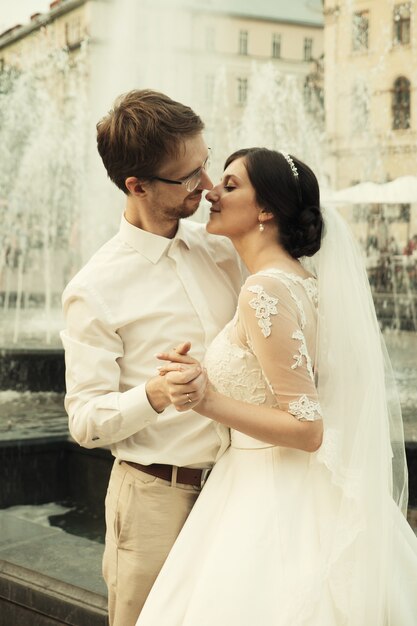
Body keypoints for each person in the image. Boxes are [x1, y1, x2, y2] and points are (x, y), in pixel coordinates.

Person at [135, 148, 417, 626]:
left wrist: (207, 398)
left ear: (265, 209)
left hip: (269, 495)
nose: (211, 193)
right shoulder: (301, 283)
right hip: (284, 483)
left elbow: (307, 427)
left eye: (229, 185)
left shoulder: (264, 290)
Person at [60, 89, 244, 626]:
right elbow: (85, 422)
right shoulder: (94, 288)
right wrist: (156, 395)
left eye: (204, 165)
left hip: (238, 490)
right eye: (188, 177)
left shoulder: (220, 249)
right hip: (153, 499)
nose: (206, 186)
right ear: (137, 186)